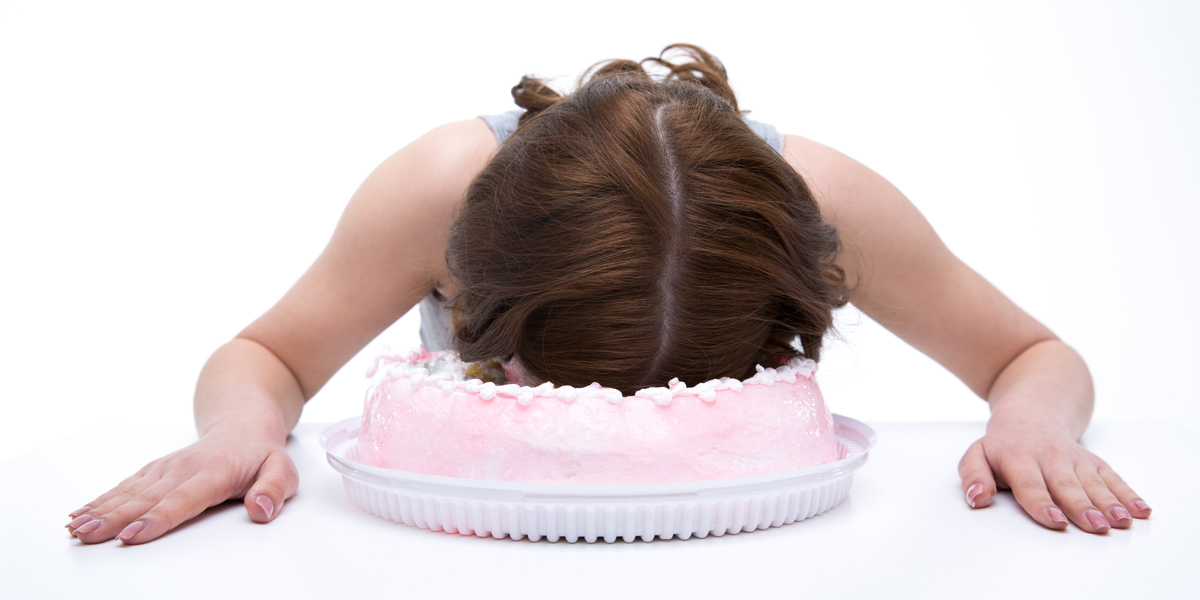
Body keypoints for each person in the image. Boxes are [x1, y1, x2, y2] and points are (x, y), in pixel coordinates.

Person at [65, 44, 1149, 545]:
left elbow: (1032, 355)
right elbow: (272, 356)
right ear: (465, 274)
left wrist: (1032, 419)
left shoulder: (827, 207)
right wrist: (238, 424)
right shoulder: (440, 188)